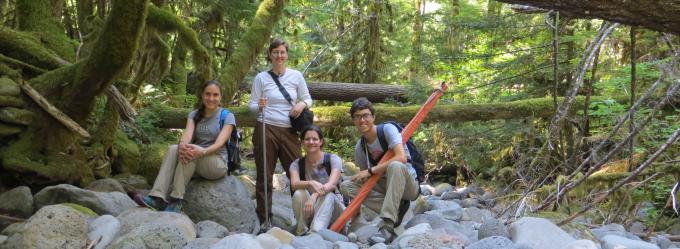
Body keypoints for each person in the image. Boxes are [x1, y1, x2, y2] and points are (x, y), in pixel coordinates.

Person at [134, 80, 235, 212]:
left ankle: (176, 200)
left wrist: (202, 151)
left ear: (221, 97)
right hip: (196, 157)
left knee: (190, 153)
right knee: (174, 149)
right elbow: (187, 135)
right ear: (202, 95)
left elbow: (219, 144)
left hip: (217, 162)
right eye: (208, 94)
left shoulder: (227, 116)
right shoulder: (194, 114)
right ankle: (157, 197)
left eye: (215, 95)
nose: (211, 98)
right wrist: (183, 145)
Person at [249, 39, 313, 226]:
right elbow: (252, 105)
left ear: (287, 55)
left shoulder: (296, 76)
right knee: (264, 175)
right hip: (265, 127)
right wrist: (258, 106)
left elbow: (308, 99)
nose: (279, 55)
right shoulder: (261, 78)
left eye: (282, 52)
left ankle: (303, 219)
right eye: (275, 52)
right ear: (270, 54)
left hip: (289, 131)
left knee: (297, 173)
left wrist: (301, 104)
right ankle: (265, 219)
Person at [340, 97, 419, 243]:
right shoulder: (360, 147)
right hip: (385, 187)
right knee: (346, 185)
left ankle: (388, 222)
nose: (362, 120)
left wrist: (370, 171)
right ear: (353, 120)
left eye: (365, 115)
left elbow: (401, 158)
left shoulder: (387, 130)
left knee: (395, 165)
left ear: (373, 117)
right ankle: (397, 210)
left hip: (408, 186)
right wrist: (354, 219)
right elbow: (366, 182)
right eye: (357, 117)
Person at [289, 125, 345, 235]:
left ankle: (315, 233)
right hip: (311, 209)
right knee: (299, 193)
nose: (311, 142)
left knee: (328, 195)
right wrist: (310, 182)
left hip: (335, 211)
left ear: (321, 142)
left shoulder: (333, 159)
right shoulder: (296, 164)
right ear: (302, 142)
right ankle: (302, 230)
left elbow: (332, 184)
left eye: (314, 139)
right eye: (307, 139)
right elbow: (294, 184)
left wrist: (314, 196)